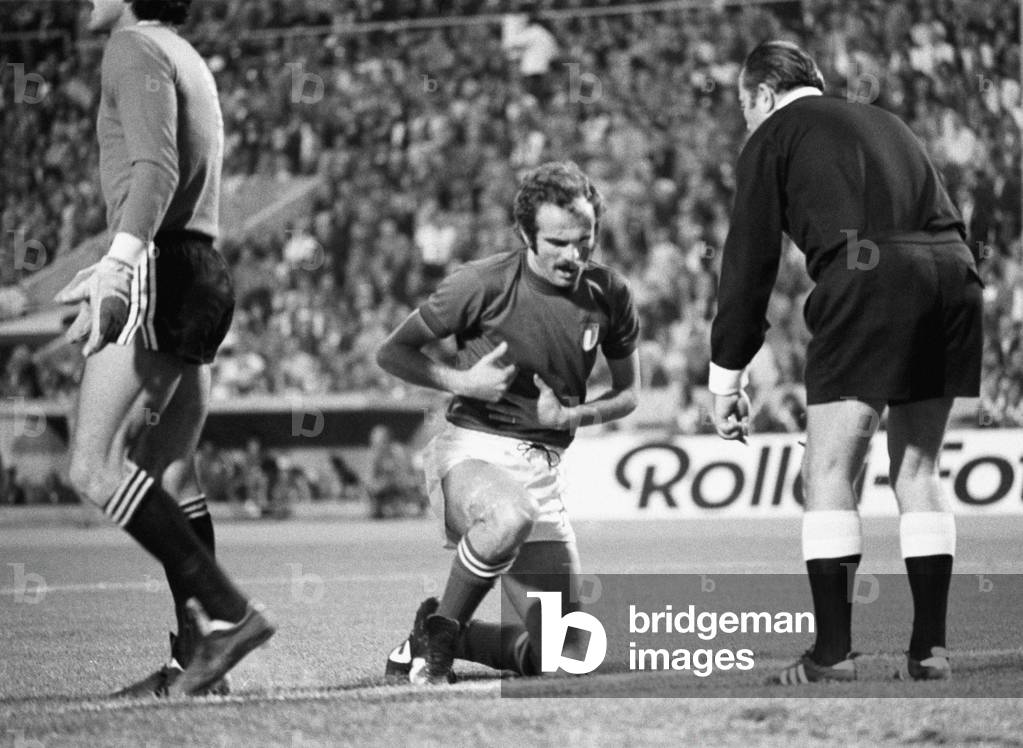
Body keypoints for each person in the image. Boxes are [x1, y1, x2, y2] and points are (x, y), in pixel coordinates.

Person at [709, 41, 982, 684]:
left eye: (746, 108)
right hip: (954, 273)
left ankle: (832, 655)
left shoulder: (774, 135)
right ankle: (930, 651)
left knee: (829, 469)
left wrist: (727, 376)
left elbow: (749, 263)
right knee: (917, 467)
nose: (748, 122)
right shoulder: (886, 121)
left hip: (869, 274)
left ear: (763, 95)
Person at [55, 0, 275, 697]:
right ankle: (197, 662)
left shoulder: (131, 47)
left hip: (162, 266)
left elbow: (155, 171)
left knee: (93, 468)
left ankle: (230, 617)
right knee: (171, 474)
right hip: (202, 268)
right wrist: (112, 261)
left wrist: (120, 265)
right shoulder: (187, 56)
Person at [377, 161, 640, 684]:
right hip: (472, 453)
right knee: (509, 514)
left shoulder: (608, 292)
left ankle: (433, 632)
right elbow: (393, 352)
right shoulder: (480, 283)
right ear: (525, 233)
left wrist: (573, 414)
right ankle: (439, 650)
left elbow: (629, 392)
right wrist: (463, 382)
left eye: (584, 240)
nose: (573, 255)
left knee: (566, 656)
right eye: (557, 242)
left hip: (543, 471)